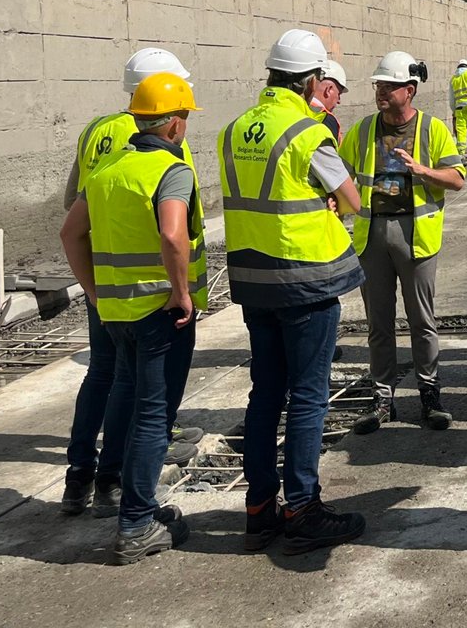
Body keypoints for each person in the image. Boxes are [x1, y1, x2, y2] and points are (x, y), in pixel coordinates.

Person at [219, 28, 366, 555]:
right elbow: (351, 199)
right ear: (310, 81)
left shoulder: (234, 130)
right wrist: (333, 201)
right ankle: (302, 508)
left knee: (265, 394)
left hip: (252, 281)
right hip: (303, 280)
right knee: (307, 395)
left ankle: (259, 510)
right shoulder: (307, 132)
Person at [59, 72, 207, 564]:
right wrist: (181, 293)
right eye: (184, 118)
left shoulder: (108, 169)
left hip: (117, 313)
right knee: (153, 416)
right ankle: (137, 522)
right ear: (173, 124)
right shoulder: (170, 169)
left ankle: (124, 499)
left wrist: (94, 292)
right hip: (159, 312)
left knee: (128, 397)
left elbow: (70, 234)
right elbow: (172, 235)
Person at [340, 51, 466, 433]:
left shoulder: (432, 129)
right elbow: (341, 175)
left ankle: (429, 395)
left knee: (422, 321)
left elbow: (458, 178)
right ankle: (383, 399)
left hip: (416, 238)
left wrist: (423, 170)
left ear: (409, 90)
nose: (381, 92)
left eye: (389, 86)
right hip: (373, 236)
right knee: (378, 323)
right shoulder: (363, 130)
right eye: (379, 85)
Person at [313, 59, 349, 142]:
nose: (339, 101)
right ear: (328, 90)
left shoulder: (294, 108)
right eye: (339, 94)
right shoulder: (327, 119)